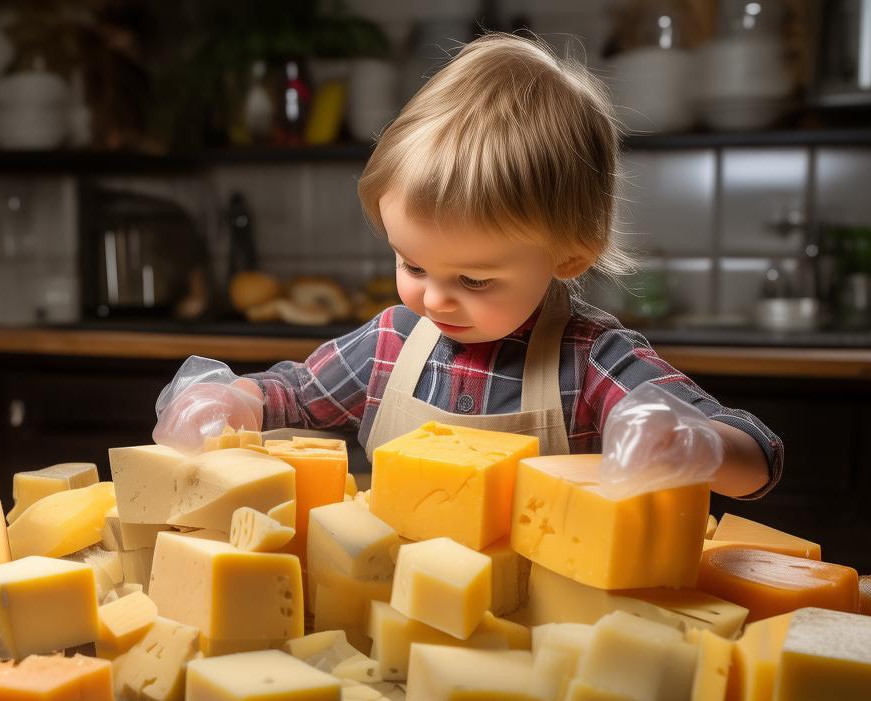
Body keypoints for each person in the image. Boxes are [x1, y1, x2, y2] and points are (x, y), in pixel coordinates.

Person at [156, 34, 782, 500]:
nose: (433, 299)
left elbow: (755, 454)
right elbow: (292, 395)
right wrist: (232, 398)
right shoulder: (389, 344)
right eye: (412, 265)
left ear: (570, 256)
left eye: (474, 280)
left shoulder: (591, 361)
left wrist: (692, 444)